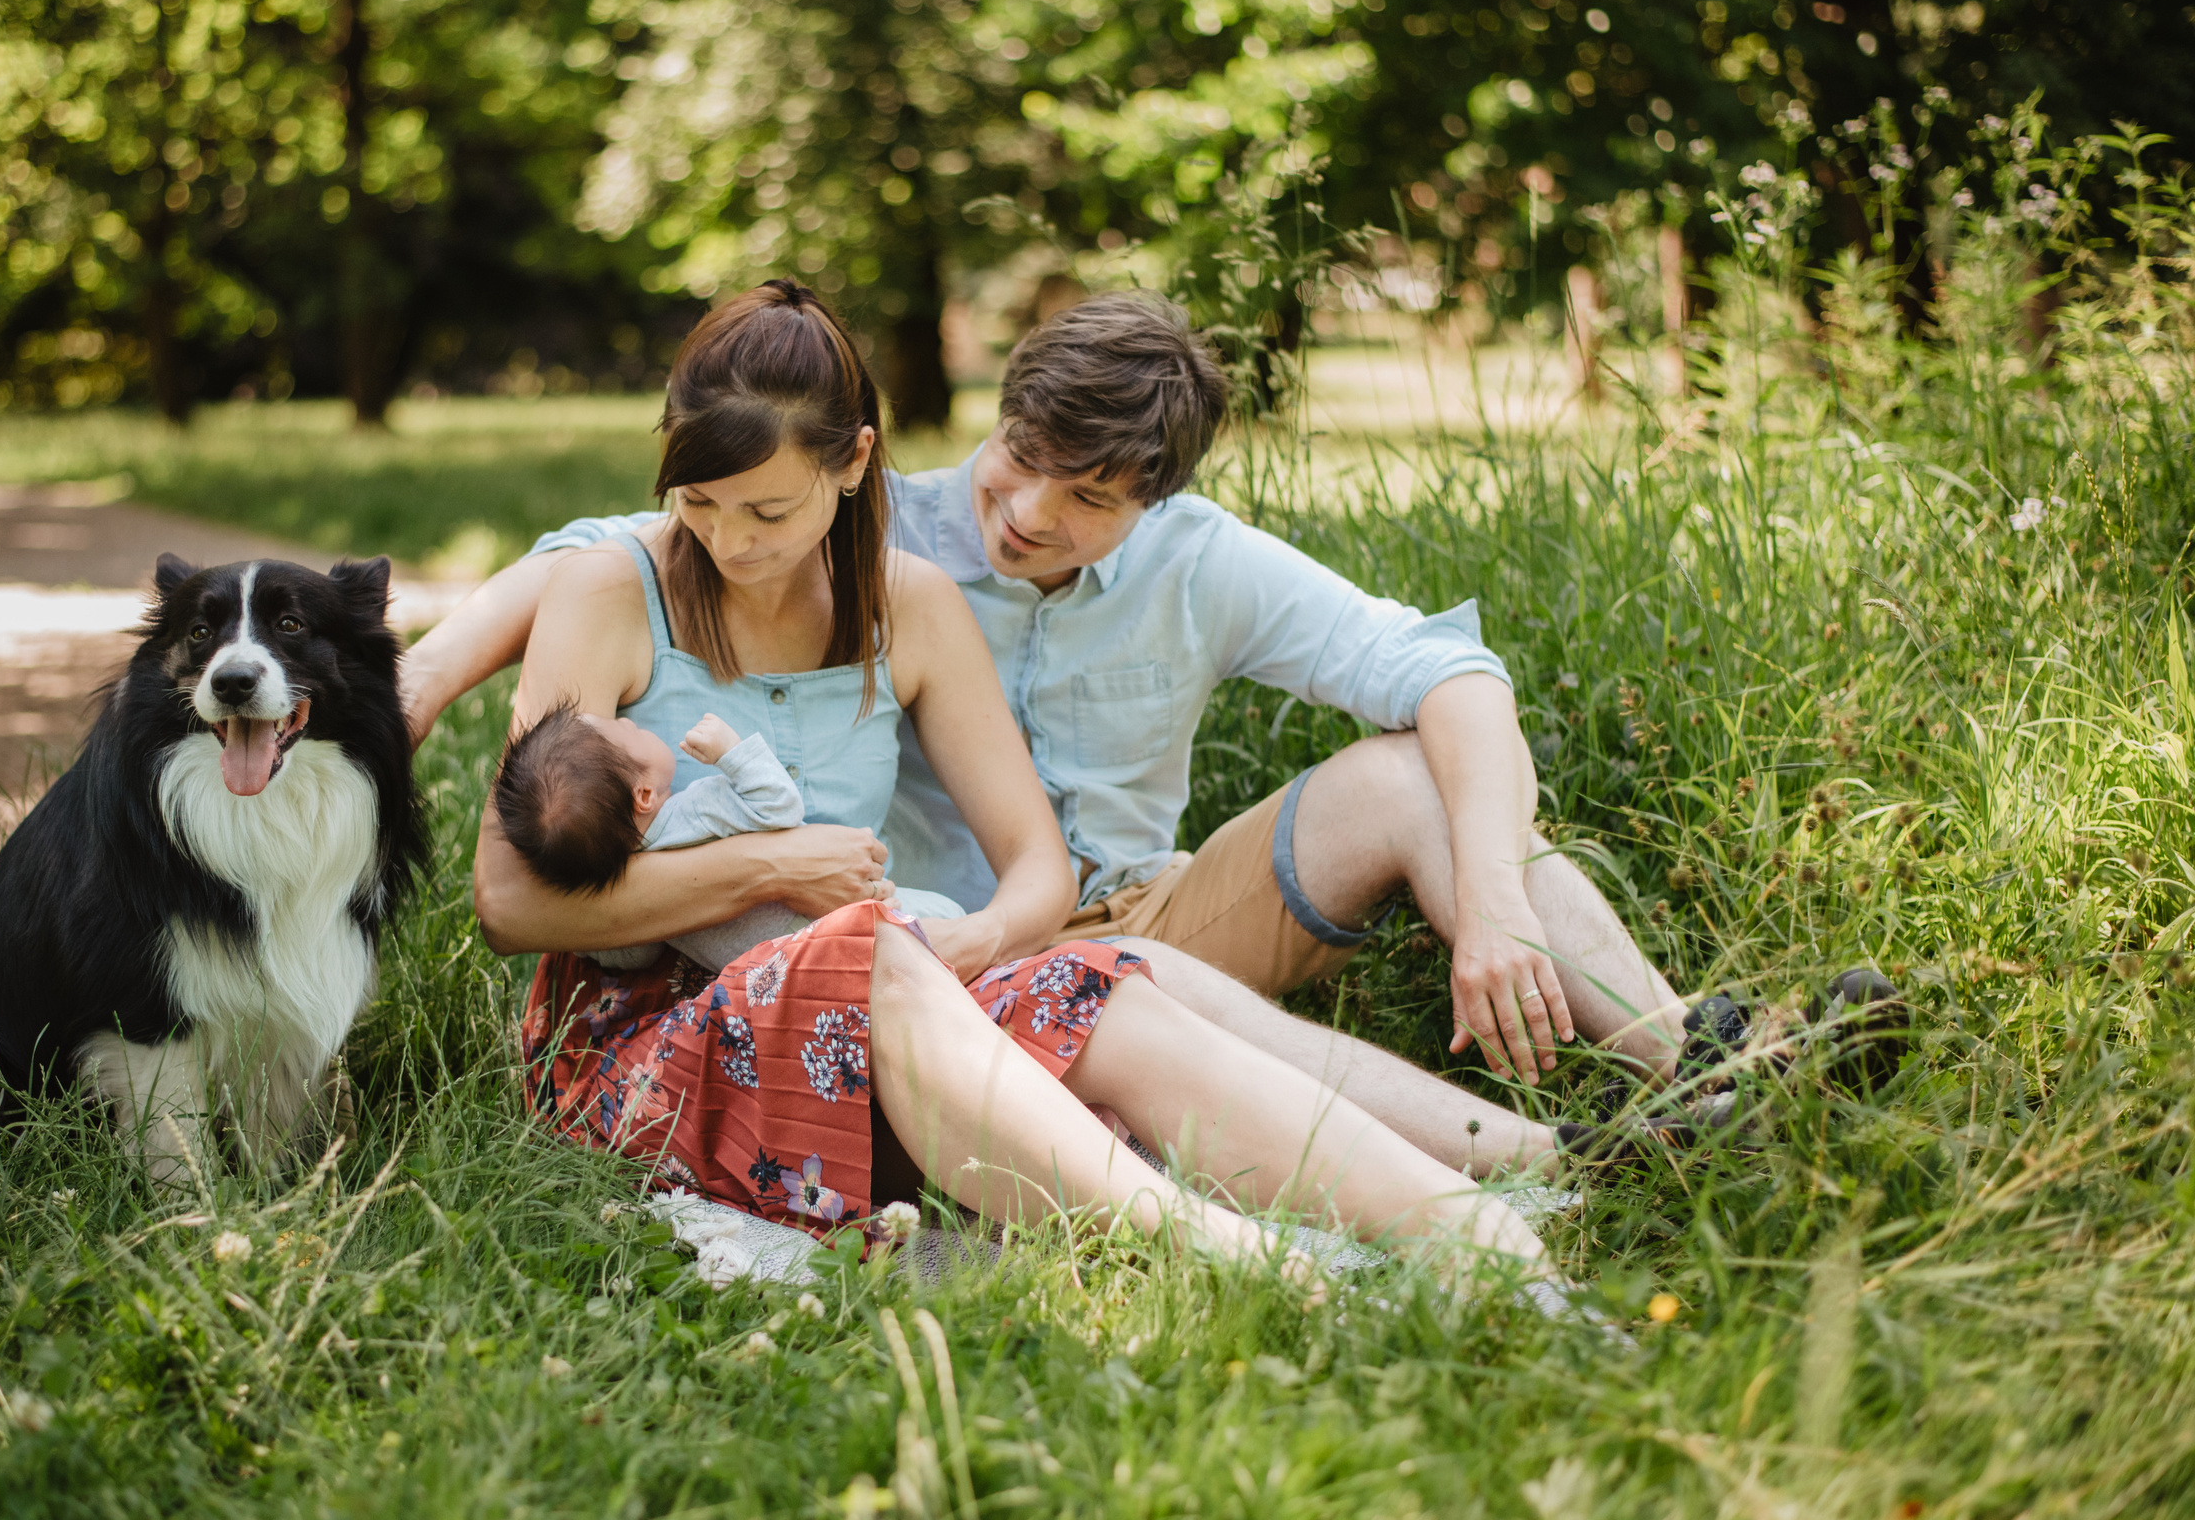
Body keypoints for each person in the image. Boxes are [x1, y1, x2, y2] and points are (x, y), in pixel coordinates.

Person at [412, 292, 1869, 1172]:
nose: (1030, 510)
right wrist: (415, 678)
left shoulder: (1204, 561)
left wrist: (1486, 900)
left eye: (1088, 495)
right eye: (1020, 459)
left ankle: (1690, 1069)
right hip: (936, 942)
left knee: (1425, 779)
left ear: (1155, 497)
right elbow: (619, 545)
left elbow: (1453, 675)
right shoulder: (875, 526)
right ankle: (1577, 1143)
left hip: (1150, 908)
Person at [478, 278, 1558, 1285]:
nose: (727, 540)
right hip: (642, 1036)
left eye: (767, 512)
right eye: (701, 501)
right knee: (871, 963)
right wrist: (765, 863)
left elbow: (1036, 867)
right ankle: (1234, 1259)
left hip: (877, 982)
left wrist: (978, 939)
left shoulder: (909, 602)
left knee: (1099, 979)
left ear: (854, 464)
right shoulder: (606, 589)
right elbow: (512, 901)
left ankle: (1490, 1208)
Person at [492, 704, 960, 970]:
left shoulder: (644, 896)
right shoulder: (698, 809)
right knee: (947, 922)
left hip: (792, 976)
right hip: (856, 926)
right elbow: (781, 806)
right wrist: (732, 753)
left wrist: (588, 945)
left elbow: (633, 953)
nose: (632, 722)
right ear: (645, 794)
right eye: (626, 730)